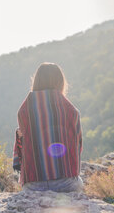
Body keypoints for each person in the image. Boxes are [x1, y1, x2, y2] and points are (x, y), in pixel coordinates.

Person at [13, 62, 83, 192]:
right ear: (60, 82)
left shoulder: (24, 111)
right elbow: (77, 146)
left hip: (33, 185)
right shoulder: (72, 111)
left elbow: (22, 150)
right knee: (80, 182)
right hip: (66, 184)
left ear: (37, 81)